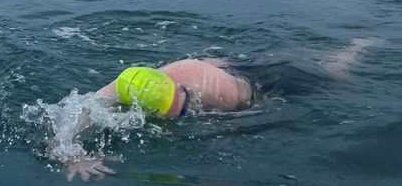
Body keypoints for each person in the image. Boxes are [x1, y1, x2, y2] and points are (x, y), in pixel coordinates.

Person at [59, 38, 381, 182]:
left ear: (185, 93)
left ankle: (356, 47)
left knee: (333, 75)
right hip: (214, 64)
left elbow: (263, 116)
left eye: (183, 112)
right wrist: (73, 154)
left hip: (259, 83)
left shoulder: (219, 92)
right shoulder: (124, 84)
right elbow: (69, 119)